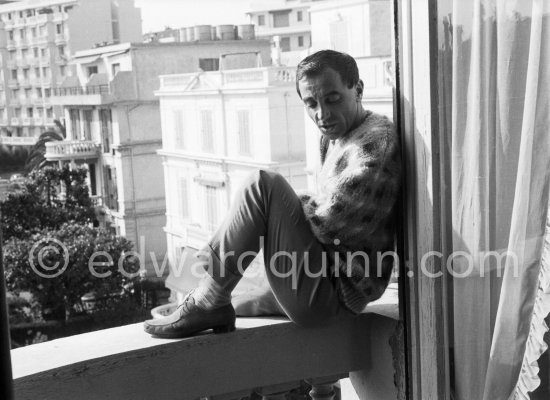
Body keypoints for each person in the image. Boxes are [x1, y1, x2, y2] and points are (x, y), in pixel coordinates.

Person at [143, 50, 402, 338]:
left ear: (358, 89)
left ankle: (207, 297)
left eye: (333, 99)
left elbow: (331, 223)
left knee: (264, 185)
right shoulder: (338, 137)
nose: (322, 114)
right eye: (311, 103)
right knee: (237, 299)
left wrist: (283, 206)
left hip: (333, 293)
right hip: (320, 276)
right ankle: (213, 293)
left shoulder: (375, 142)